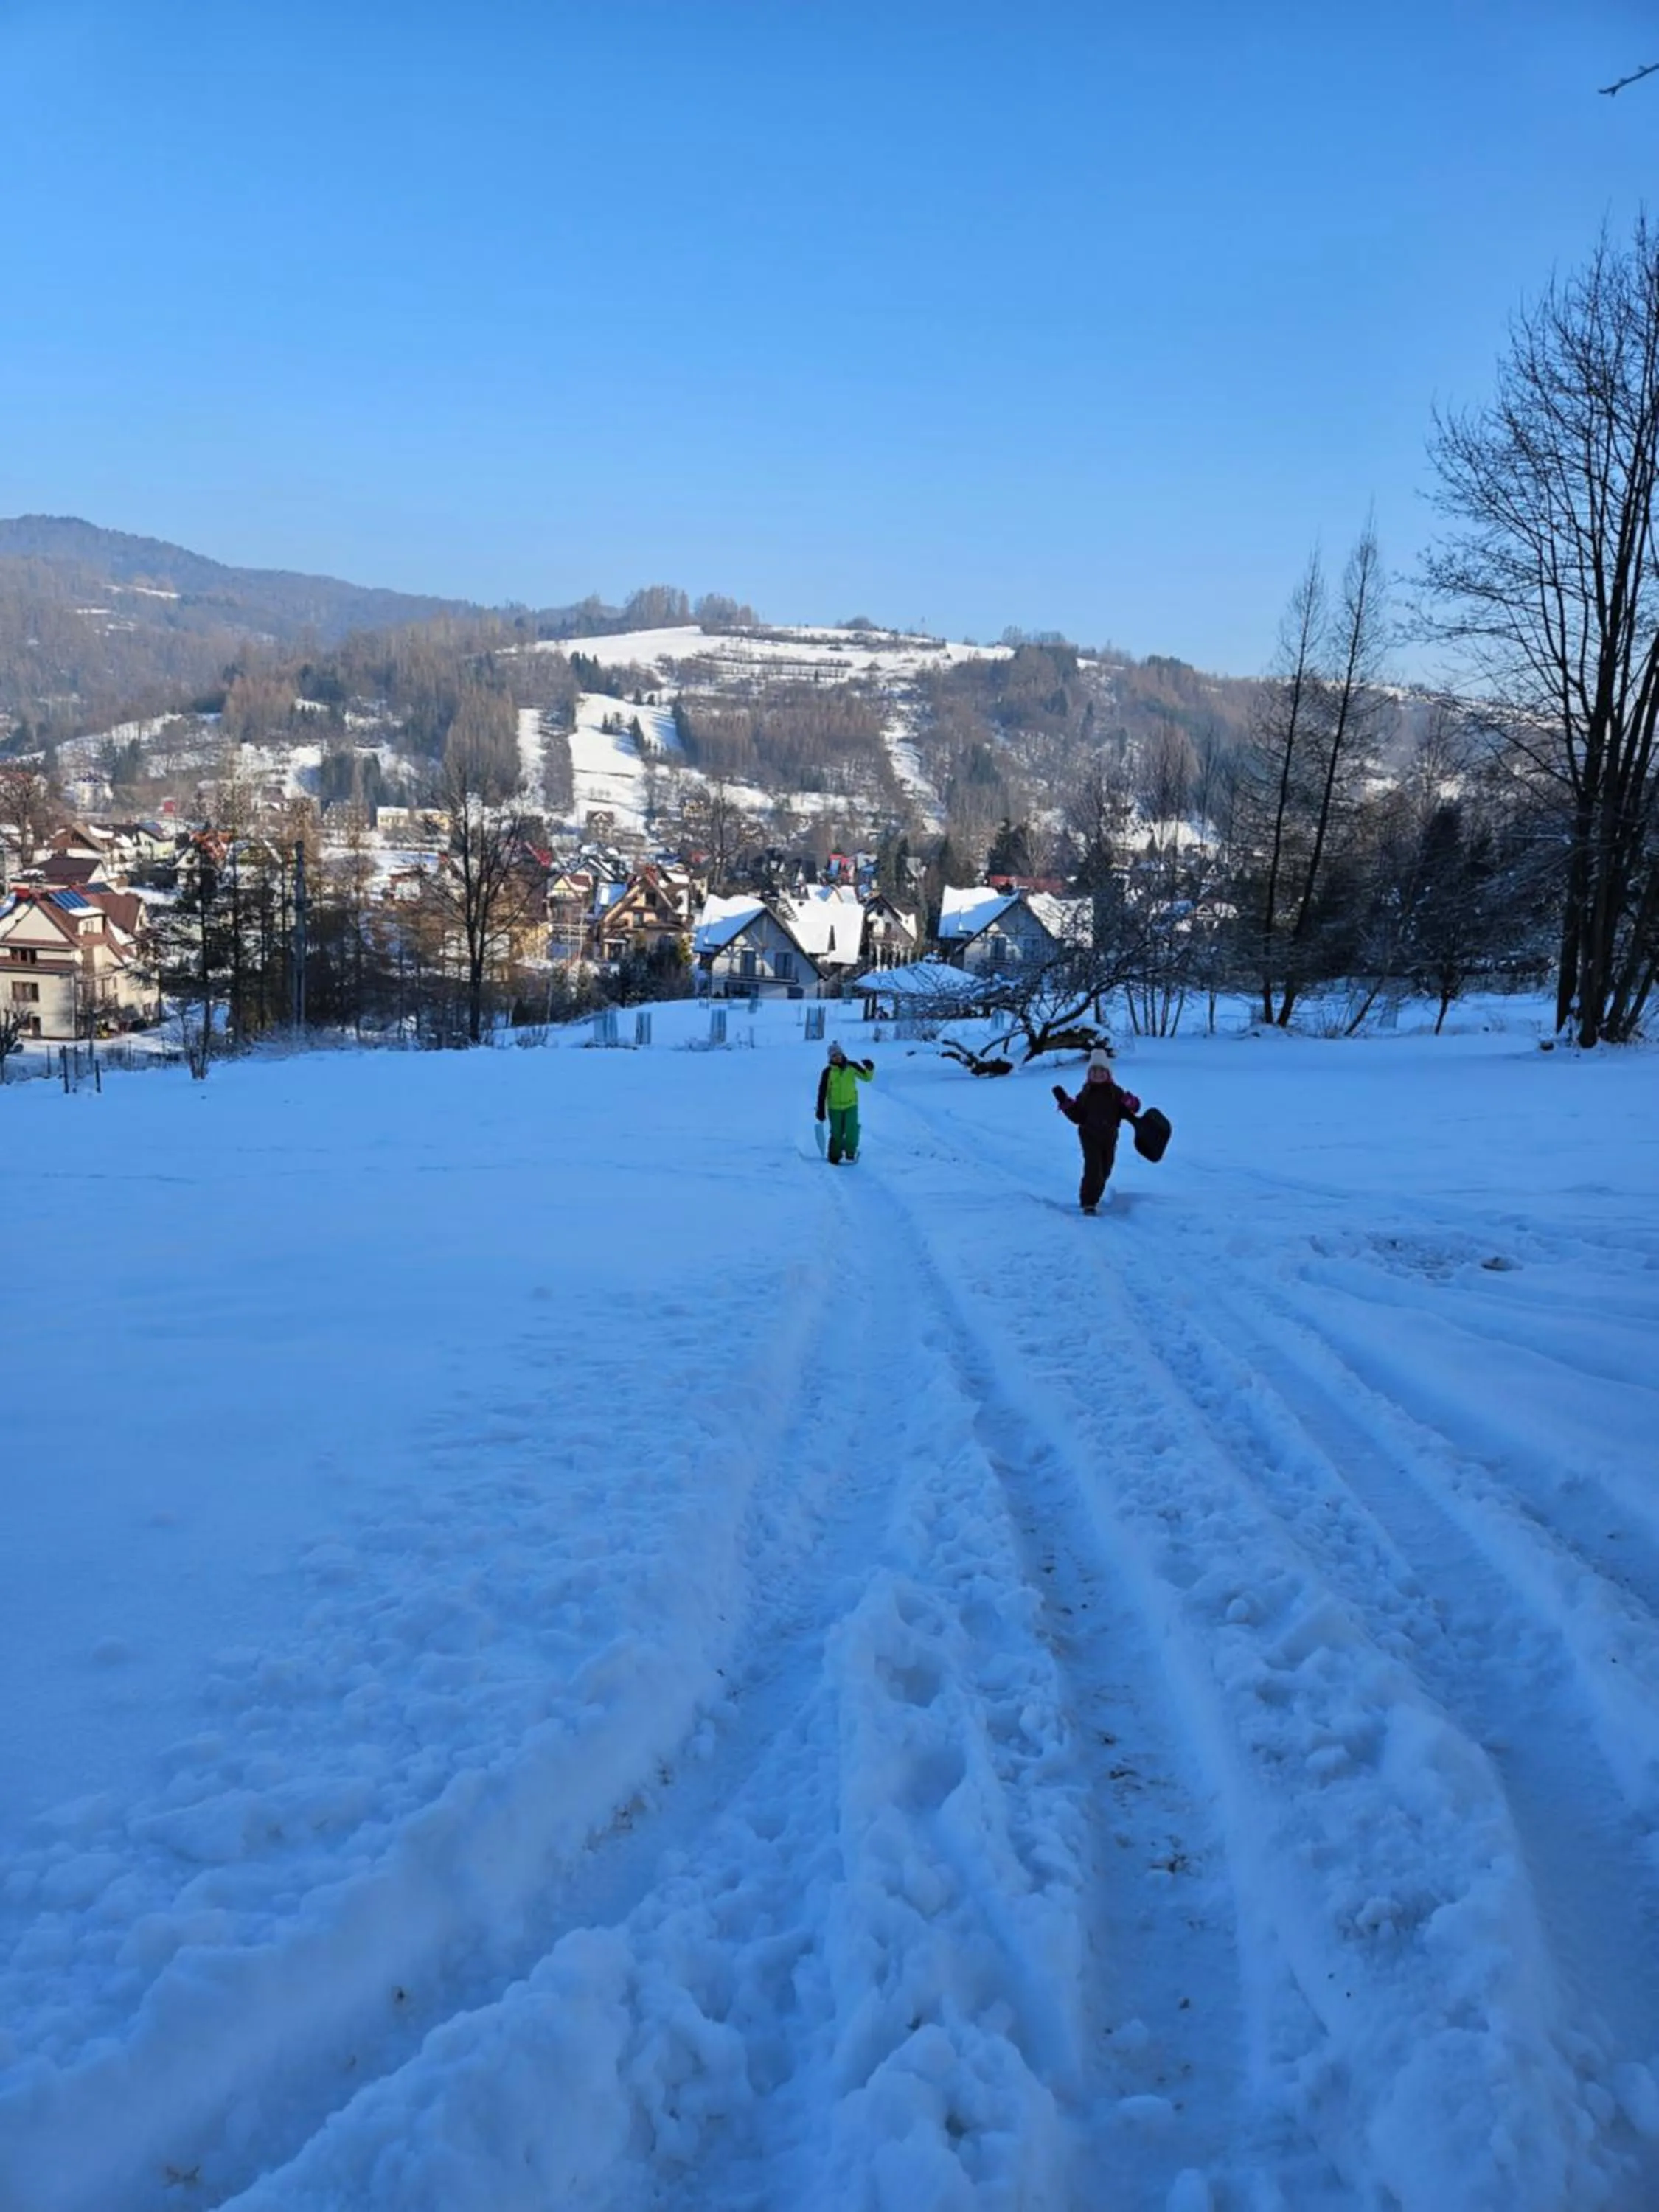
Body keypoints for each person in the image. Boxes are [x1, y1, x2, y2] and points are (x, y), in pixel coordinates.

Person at [1052, 1046, 1141, 1214]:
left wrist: (1132, 1103)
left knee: (1106, 1168)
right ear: (1088, 1074)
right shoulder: (1085, 1093)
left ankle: (1095, 1197)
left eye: (1102, 1071)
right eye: (1094, 1071)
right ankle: (1088, 1202)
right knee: (1093, 1168)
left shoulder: (1116, 1092)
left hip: (1110, 1136)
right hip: (1089, 1135)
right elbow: (1078, 1117)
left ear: (1108, 1073)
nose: (1098, 1074)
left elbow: (1128, 1112)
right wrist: (1066, 1104)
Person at [816, 1040, 874, 1164]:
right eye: (834, 1056)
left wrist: (870, 1068)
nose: (837, 1057)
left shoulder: (852, 1066)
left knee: (851, 1130)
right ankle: (834, 1156)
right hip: (835, 1108)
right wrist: (821, 1109)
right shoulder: (827, 1072)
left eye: (838, 1055)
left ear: (842, 1054)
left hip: (851, 1105)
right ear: (830, 1058)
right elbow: (822, 1093)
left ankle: (850, 1153)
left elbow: (867, 1078)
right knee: (836, 1133)